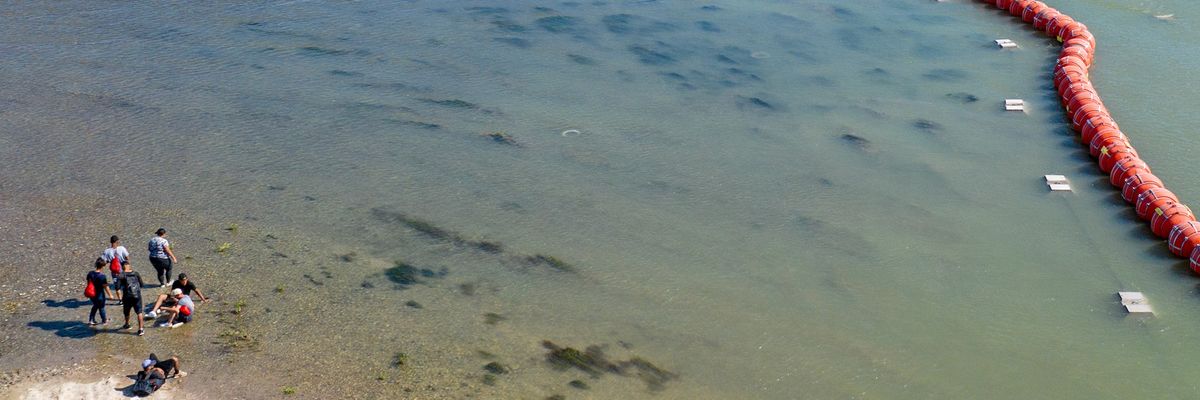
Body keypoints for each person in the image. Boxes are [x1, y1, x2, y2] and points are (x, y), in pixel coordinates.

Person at [115, 263, 147, 336]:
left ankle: (127, 324)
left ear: (122, 267)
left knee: (126, 311)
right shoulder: (136, 273)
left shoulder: (121, 275)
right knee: (139, 312)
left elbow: (117, 287)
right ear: (129, 266)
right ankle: (141, 329)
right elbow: (142, 284)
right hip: (137, 296)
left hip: (127, 296)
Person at [86, 258, 114, 326]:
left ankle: (91, 320)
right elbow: (105, 287)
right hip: (99, 294)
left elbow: (88, 283)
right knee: (101, 307)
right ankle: (104, 320)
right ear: (102, 266)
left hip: (91, 293)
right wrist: (110, 295)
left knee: (95, 306)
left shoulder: (90, 273)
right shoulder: (102, 276)